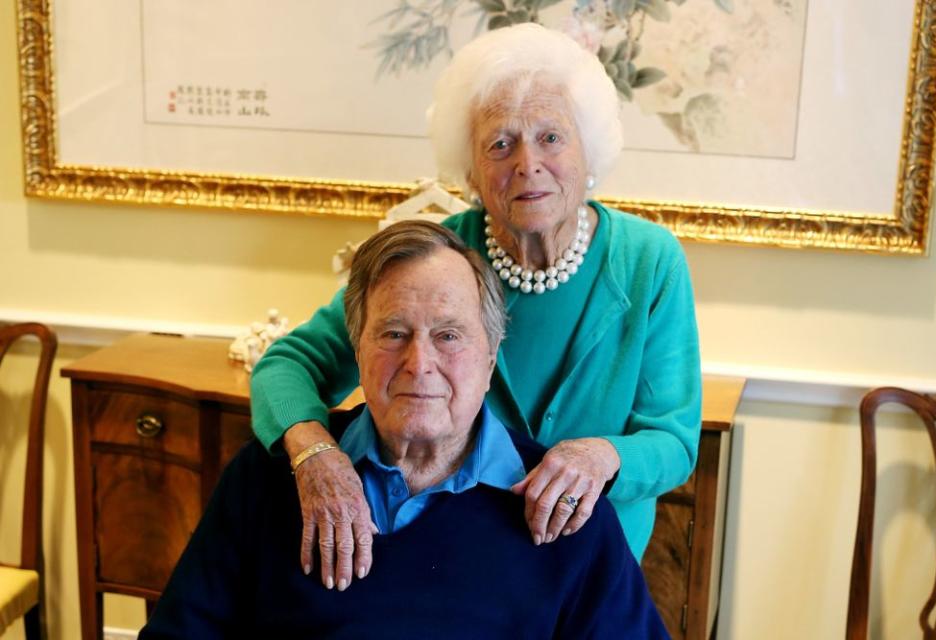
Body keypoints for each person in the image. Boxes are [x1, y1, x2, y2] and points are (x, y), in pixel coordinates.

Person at [252, 23, 702, 591]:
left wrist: (602, 457)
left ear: (590, 148)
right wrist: (314, 453)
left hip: (588, 570)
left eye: (551, 137)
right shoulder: (438, 259)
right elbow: (287, 366)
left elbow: (675, 441)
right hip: (454, 560)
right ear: (469, 170)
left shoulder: (649, 262)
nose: (527, 163)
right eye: (499, 143)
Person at [140, 221, 669, 639]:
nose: (419, 362)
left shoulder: (564, 511)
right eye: (393, 333)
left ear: (489, 362)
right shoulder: (269, 480)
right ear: (357, 350)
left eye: (448, 336)